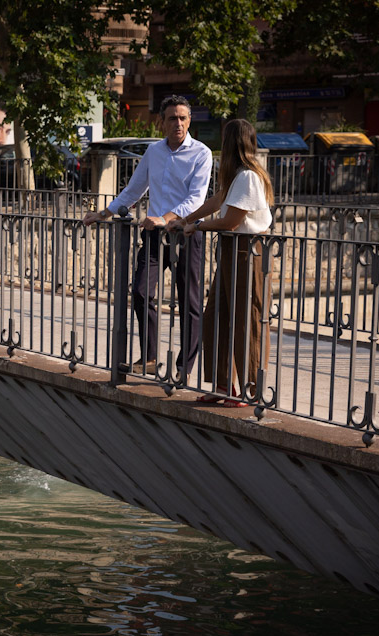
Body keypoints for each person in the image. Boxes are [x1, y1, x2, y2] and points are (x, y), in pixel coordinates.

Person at [81, 95, 212, 378]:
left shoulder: (202, 153)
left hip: (185, 233)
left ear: (189, 121)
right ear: (161, 122)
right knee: (140, 292)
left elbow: (197, 199)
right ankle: (150, 358)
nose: (177, 123)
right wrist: (103, 214)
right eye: (172, 118)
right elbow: (133, 190)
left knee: (189, 302)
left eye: (182, 118)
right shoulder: (154, 152)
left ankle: (183, 368)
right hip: (155, 235)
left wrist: (166, 219)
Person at [168, 118, 274, 407]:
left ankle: (250, 390)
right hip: (232, 250)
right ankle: (223, 385)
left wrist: (197, 227)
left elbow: (231, 221)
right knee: (216, 316)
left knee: (246, 320)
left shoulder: (250, 176)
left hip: (247, 252)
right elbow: (217, 202)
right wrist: (184, 219)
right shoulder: (238, 176)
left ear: (231, 143)